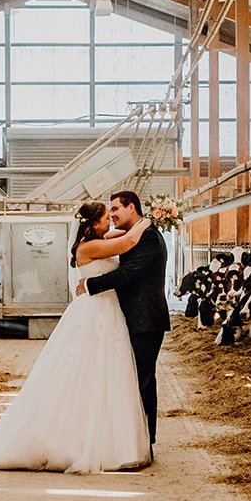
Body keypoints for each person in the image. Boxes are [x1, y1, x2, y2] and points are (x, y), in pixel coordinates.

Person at [0, 201, 152, 473]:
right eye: (106, 217)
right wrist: (150, 219)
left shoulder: (97, 240)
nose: (110, 221)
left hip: (106, 312)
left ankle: (108, 437)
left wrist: (131, 224)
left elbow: (118, 236)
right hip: (96, 312)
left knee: (108, 371)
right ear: (93, 223)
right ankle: (79, 441)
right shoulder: (89, 247)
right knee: (86, 371)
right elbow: (129, 242)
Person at [77, 190, 168, 454]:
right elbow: (122, 243)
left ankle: (144, 442)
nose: (113, 216)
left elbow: (128, 273)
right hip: (128, 317)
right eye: (108, 213)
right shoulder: (133, 234)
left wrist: (90, 284)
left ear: (131, 207)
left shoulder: (148, 236)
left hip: (145, 318)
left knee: (143, 380)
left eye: (115, 209)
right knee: (129, 379)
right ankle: (132, 439)